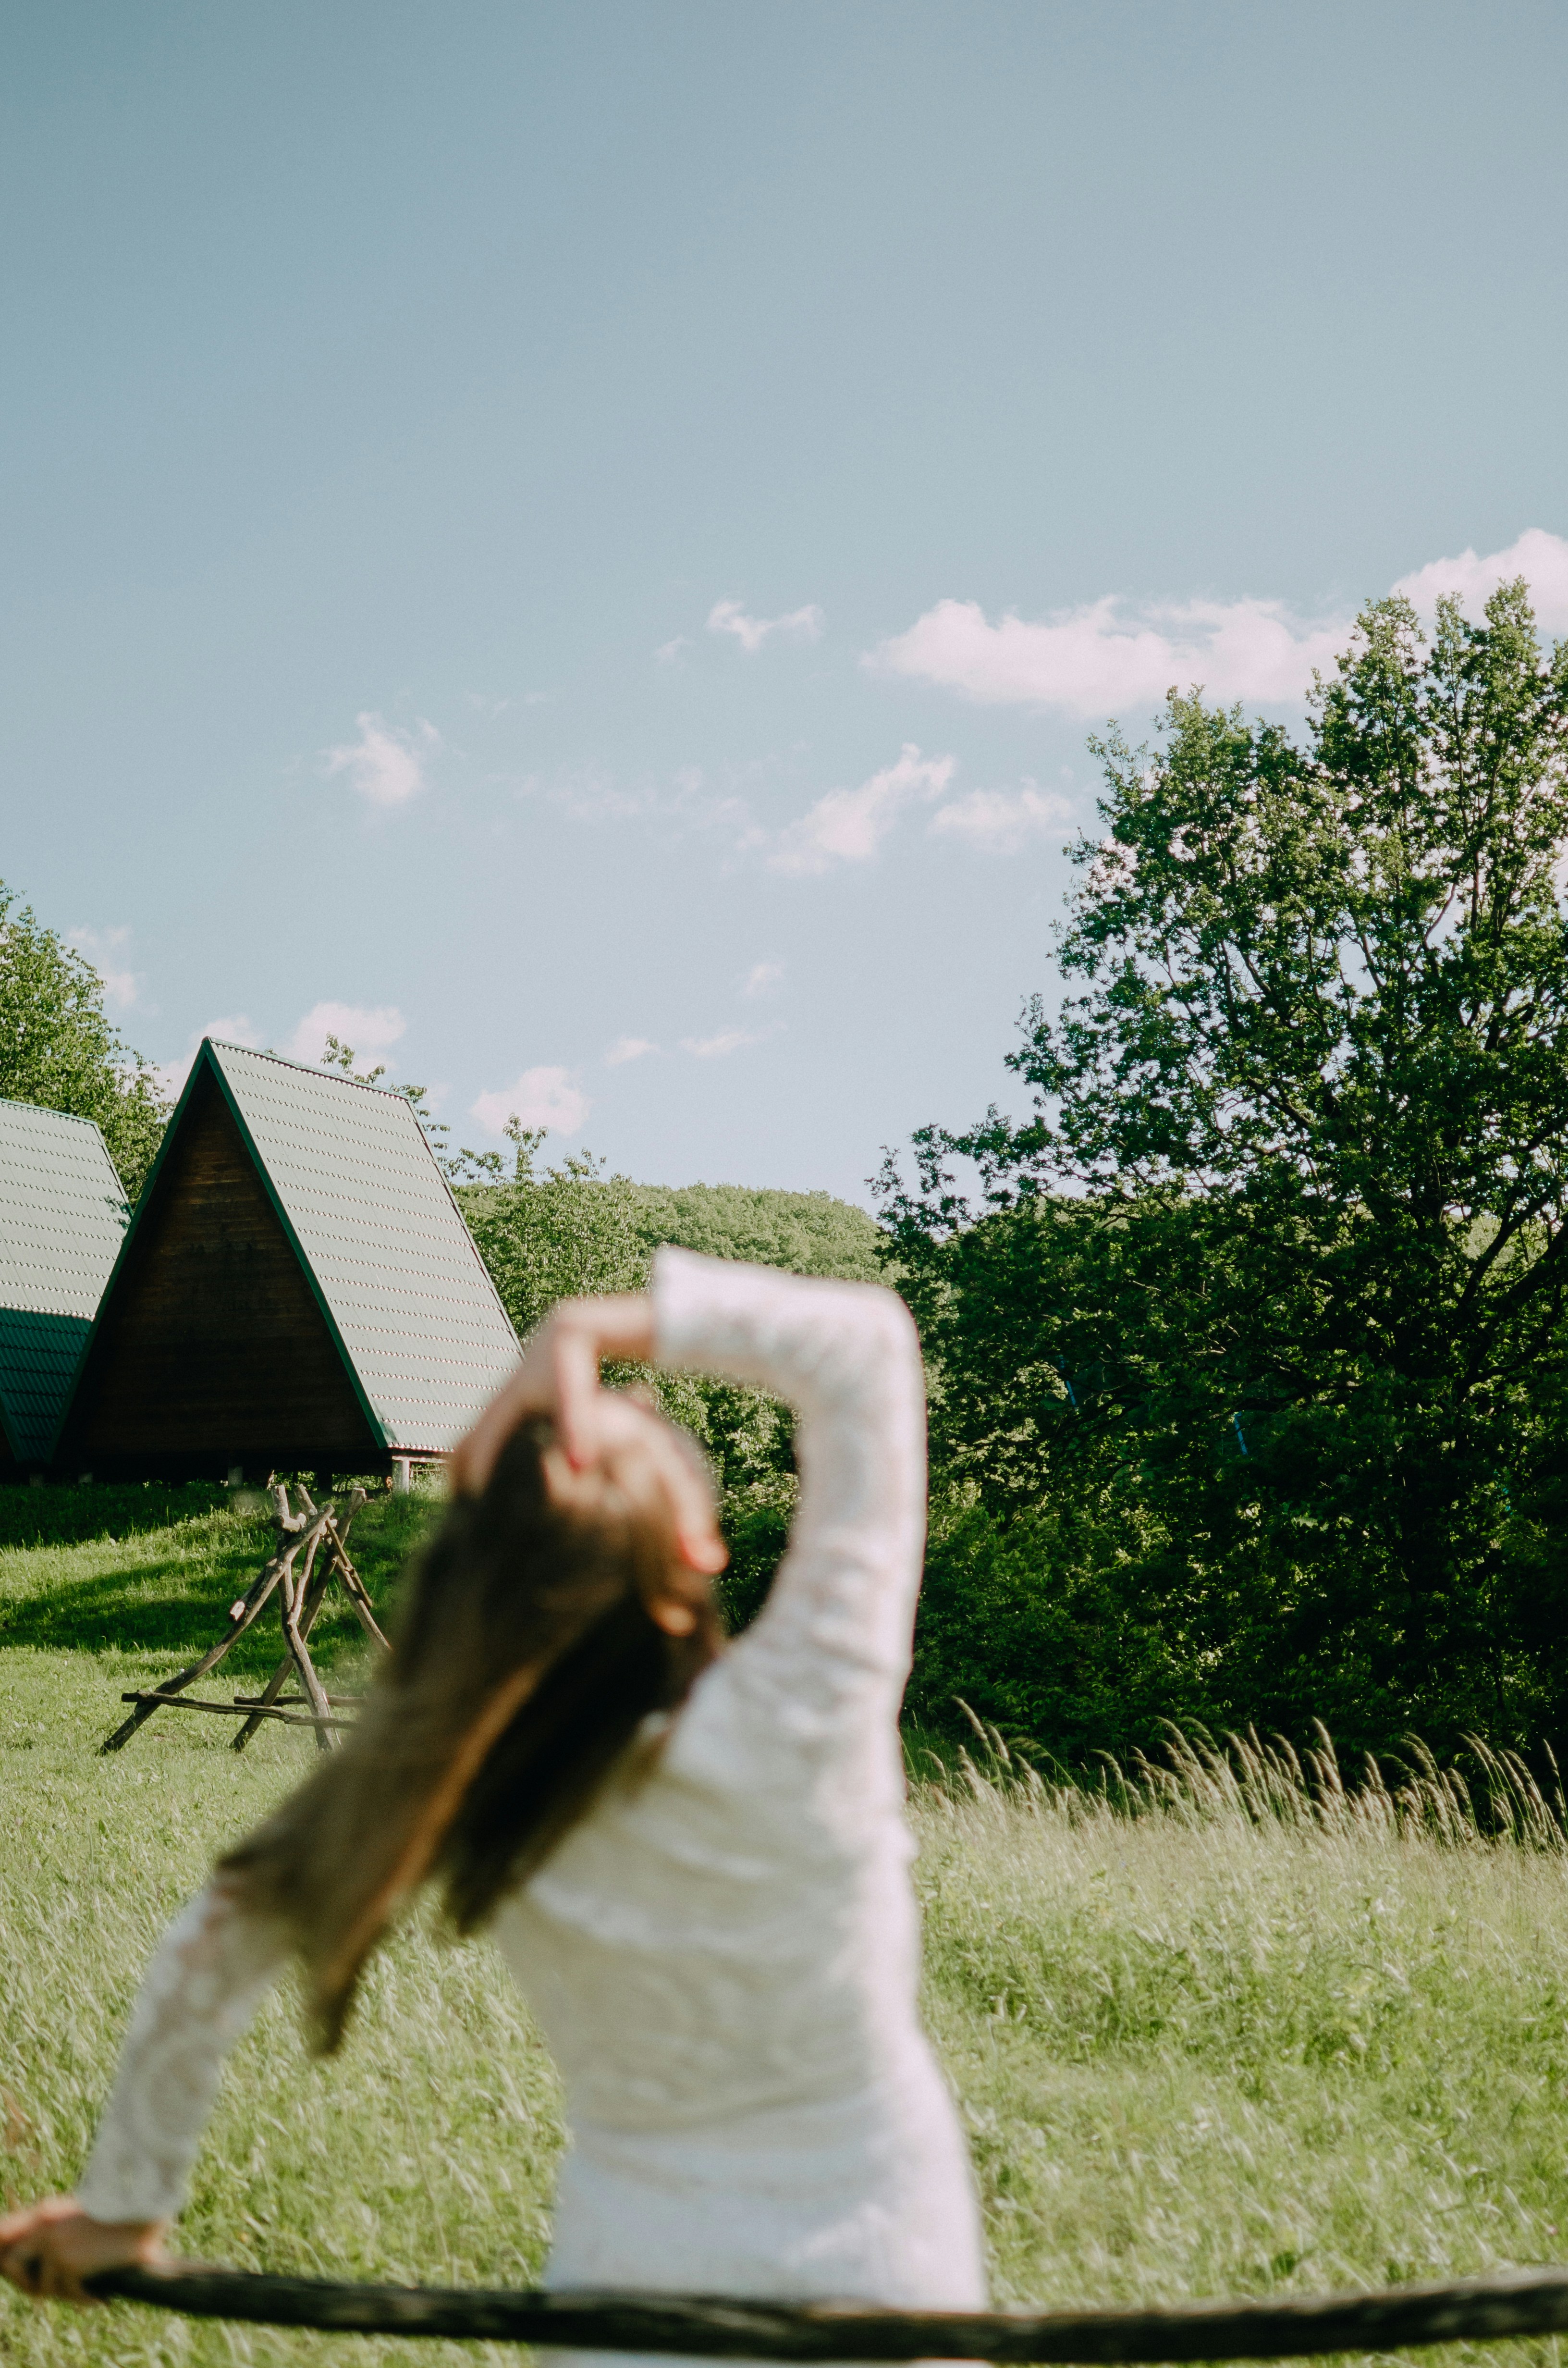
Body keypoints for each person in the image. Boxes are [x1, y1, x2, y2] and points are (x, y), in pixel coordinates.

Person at [0, 1250, 986, 2338]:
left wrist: (123, 2208)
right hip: (891, 2254)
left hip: (630, 2281)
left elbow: (212, 1942)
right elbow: (868, 1349)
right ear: (701, 1545)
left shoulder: (452, 1782)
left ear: (469, 1585)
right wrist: (590, 1325)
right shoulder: (813, 1712)